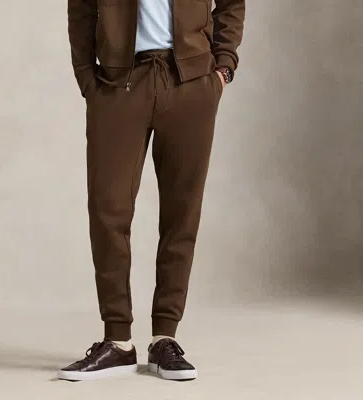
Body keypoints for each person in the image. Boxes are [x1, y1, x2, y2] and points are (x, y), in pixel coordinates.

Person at [58, 0, 245, 381]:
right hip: (119, 83)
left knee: (182, 213)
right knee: (108, 210)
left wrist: (222, 67)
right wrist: (87, 77)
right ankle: (117, 341)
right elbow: (81, 7)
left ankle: (165, 338)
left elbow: (231, 3)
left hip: (191, 82)